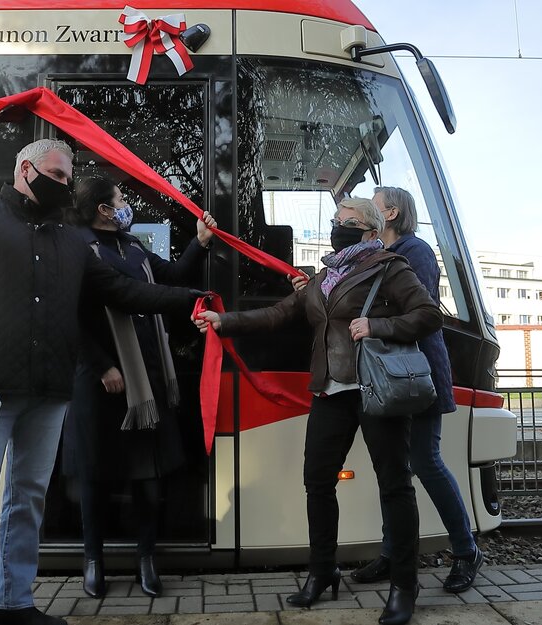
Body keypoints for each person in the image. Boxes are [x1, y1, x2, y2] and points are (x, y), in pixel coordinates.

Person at [0, 139, 200, 625]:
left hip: (49, 392)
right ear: (26, 169)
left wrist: (193, 298)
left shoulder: (72, 242)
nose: (66, 185)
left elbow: (122, 289)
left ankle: (13, 604)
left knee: (28, 499)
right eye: (58, 175)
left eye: (70, 178)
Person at [194, 197, 441, 625]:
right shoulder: (324, 276)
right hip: (331, 391)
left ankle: (405, 583)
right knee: (317, 482)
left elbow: (428, 314)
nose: (337, 227)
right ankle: (322, 572)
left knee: (394, 485)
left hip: (375, 388)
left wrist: (378, 326)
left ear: (370, 230)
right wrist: (224, 320)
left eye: (348, 222)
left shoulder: (389, 267)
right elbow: (280, 313)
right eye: (335, 221)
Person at [61, 176, 216, 598]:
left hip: (145, 378)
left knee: (149, 474)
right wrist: (102, 365)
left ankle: (146, 558)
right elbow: (69, 319)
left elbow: (167, 282)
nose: (126, 203)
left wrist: (199, 244)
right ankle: (94, 561)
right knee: (96, 475)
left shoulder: (133, 248)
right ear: (103, 210)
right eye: (120, 198)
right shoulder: (75, 247)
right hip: (101, 382)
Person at [339, 186, 483, 593]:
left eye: (375, 201)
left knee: (425, 461)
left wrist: (372, 321)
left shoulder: (414, 251)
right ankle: (394, 552)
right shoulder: (383, 251)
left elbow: (416, 311)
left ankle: (466, 549)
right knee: (394, 470)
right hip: (391, 373)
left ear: (393, 210)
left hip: (416, 373)